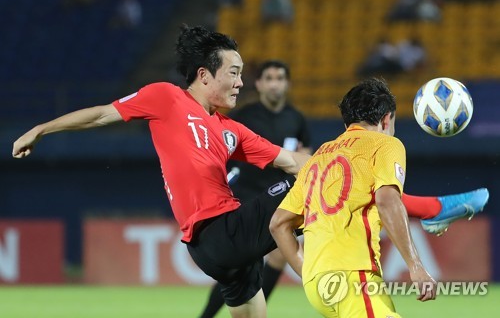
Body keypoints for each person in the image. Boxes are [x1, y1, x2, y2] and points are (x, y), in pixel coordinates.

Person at [12, 26, 488, 317]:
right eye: (234, 72)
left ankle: (429, 208)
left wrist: (340, 164)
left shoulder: (231, 131)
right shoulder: (165, 97)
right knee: (327, 183)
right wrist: (41, 128)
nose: (242, 81)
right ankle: (434, 209)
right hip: (218, 230)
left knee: (316, 187)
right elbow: (100, 114)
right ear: (204, 75)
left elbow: (296, 162)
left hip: (224, 249)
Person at [270, 78, 437, 317]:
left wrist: (309, 274)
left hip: (318, 286)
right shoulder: (385, 144)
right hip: (354, 278)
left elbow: (278, 224)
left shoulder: (317, 157)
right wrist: (416, 266)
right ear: (386, 119)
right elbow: (387, 201)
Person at [199, 60, 312, 318]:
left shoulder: (296, 119)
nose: (275, 84)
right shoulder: (245, 116)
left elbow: (305, 153)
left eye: (280, 78)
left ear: (287, 84)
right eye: (269, 78)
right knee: (241, 265)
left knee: (279, 257)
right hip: (245, 197)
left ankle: (258, 310)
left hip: (279, 198)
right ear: (259, 84)